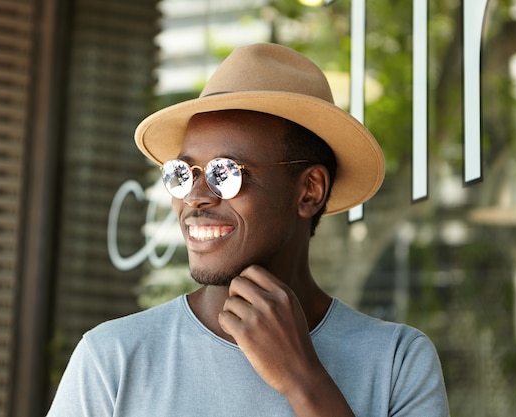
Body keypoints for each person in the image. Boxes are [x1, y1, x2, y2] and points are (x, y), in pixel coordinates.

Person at [46, 43, 450, 417]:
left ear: (310, 190)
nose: (196, 197)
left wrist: (304, 381)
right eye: (182, 173)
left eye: (226, 172)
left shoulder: (397, 361)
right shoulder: (112, 360)